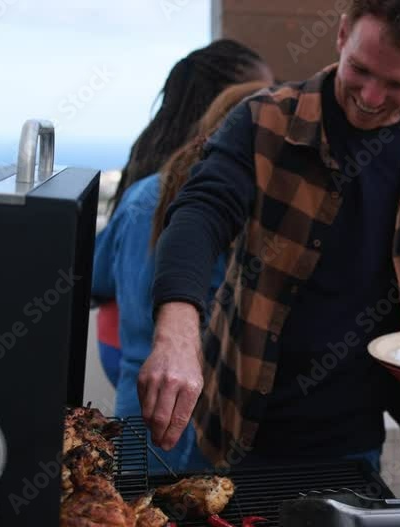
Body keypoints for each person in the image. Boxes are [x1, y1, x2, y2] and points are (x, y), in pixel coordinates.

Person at [137, 0, 400, 491]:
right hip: (242, 420)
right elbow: (200, 212)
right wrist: (176, 330)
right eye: (360, 70)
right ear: (342, 34)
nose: (371, 96)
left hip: (354, 429)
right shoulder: (264, 120)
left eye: (399, 84)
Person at [92, 81, 272, 472]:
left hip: (137, 407)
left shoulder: (141, 196)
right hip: (212, 421)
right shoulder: (251, 216)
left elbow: (96, 278)